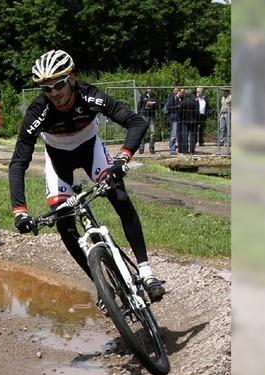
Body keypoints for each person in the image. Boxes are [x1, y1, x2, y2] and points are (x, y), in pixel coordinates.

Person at [9, 49, 166, 302]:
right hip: (57, 159)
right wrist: (20, 211)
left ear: (71, 78)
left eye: (58, 84)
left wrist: (123, 158)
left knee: (120, 197)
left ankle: (146, 272)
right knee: (64, 223)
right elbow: (18, 162)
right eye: (45, 89)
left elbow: (136, 122)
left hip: (91, 149)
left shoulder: (89, 96)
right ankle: (103, 287)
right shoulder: (38, 112)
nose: (54, 93)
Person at [137, 87, 158, 154]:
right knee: (143, 132)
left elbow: (158, 105)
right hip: (144, 116)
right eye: (148, 88)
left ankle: (151, 147)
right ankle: (141, 147)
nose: (150, 90)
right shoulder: (143, 96)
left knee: (153, 132)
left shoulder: (154, 96)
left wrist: (153, 104)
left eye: (151, 88)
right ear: (146, 89)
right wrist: (139, 115)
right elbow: (139, 106)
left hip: (152, 116)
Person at [178, 89, 199, 154]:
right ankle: (192, 150)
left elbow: (180, 112)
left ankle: (185, 151)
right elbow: (197, 112)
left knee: (184, 136)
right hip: (193, 121)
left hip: (184, 122)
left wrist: (180, 120)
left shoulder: (182, 102)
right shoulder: (195, 102)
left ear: (185, 94)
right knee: (192, 136)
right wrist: (197, 121)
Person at [165, 87, 182, 154]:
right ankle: (172, 149)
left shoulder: (180, 98)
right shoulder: (171, 98)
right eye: (175, 90)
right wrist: (177, 107)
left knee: (176, 134)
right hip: (174, 118)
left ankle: (173, 146)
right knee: (173, 135)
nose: (177, 91)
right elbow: (168, 107)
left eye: (178, 90)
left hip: (180, 118)